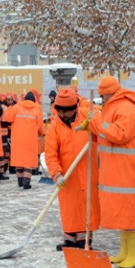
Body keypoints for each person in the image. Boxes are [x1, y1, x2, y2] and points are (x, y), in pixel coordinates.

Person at [80, 76, 135, 268]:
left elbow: (120, 134)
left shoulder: (125, 108)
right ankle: (125, 252)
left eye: (103, 96)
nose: (102, 99)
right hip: (119, 170)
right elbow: (107, 135)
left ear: (110, 93)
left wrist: (95, 124)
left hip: (129, 170)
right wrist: (93, 128)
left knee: (131, 213)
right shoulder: (114, 107)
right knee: (122, 213)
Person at [45, 88, 100, 250]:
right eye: (59, 112)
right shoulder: (55, 126)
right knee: (69, 206)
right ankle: (69, 238)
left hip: (88, 169)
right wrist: (56, 173)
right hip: (66, 174)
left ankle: (85, 239)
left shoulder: (87, 117)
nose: (62, 115)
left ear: (74, 108)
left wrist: (94, 123)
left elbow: (101, 129)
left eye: (66, 112)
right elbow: (50, 153)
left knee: (86, 204)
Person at [3, 92, 45, 189]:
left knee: (19, 160)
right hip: (30, 139)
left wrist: (9, 107)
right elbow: (39, 125)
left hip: (17, 139)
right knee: (28, 162)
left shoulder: (16, 107)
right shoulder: (36, 110)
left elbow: (7, 118)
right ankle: (26, 182)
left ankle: (20, 181)